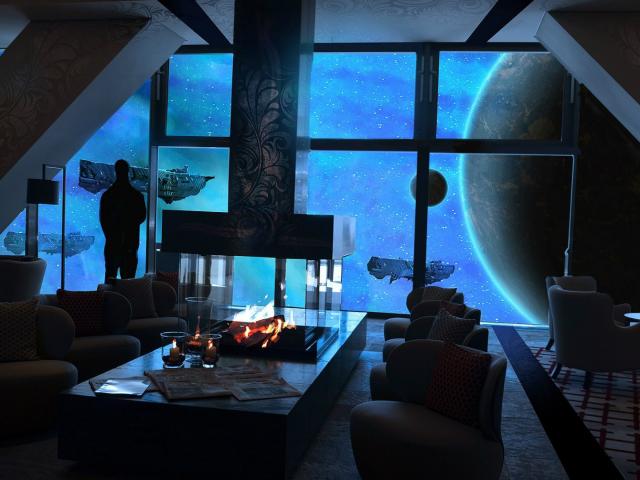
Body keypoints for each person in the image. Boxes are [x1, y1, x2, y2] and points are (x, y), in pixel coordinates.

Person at [99, 159, 146, 282]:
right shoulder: (137, 196)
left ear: (115, 171)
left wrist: (111, 236)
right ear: (128, 171)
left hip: (112, 245)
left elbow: (103, 220)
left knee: (110, 281)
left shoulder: (108, 195)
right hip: (130, 245)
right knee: (128, 283)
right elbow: (142, 217)